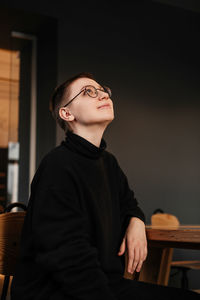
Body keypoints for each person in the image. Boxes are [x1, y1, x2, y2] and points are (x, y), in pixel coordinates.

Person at [11, 72, 199, 299]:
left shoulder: (108, 162)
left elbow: (129, 202)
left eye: (102, 90)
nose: (101, 95)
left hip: (104, 283)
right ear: (67, 113)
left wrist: (136, 220)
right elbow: (67, 255)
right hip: (58, 291)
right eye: (88, 92)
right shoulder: (57, 165)